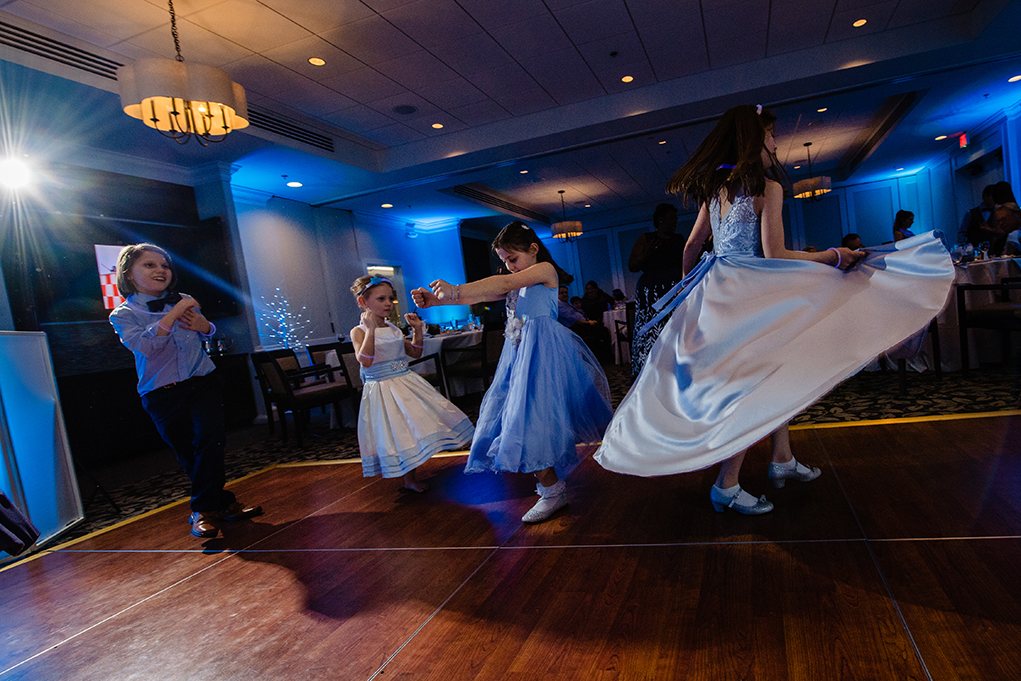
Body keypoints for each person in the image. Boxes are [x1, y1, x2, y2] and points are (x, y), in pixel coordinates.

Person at [594, 104, 954, 514]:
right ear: (755, 139)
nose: (774, 143)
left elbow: (693, 247)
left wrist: (688, 292)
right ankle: (726, 485)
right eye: (770, 136)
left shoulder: (717, 190)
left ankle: (781, 459)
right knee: (752, 386)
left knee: (775, 371)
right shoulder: (767, 188)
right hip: (749, 296)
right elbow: (775, 255)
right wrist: (834, 256)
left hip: (716, 295)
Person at [412, 222, 613, 523]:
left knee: (530, 420)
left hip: (543, 353)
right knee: (517, 419)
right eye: (504, 261)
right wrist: (439, 300)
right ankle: (551, 488)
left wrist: (455, 289)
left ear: (533, 249)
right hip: (519, 354)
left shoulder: (544, 270)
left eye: (513, 258)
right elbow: (483, 295)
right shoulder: (516, 277)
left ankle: (553, 491)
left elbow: (501, 285)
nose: (509, 266)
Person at [109, 244, 262, 539]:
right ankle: (224, 505)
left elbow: (206, 331)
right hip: (160, 392)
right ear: (128, 273)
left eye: (164, 265)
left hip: (202, 380)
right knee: (188, 453)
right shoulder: (123, 314)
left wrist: (207, 327)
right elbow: (147, 346)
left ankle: (202, 511)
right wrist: (177, 310)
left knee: (210, 440)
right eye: (150, 265)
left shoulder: (185, 300)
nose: (160, 271)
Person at [350, 275, 474, 492]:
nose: (388, 303)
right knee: (397, 432)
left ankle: (411, 477)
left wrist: (416, 329)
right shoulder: (359, 331)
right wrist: (370, 329)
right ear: (363, 302)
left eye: (391, 298)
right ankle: (408, 479)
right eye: (381, 299)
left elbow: (415, 353)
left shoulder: (394, 328)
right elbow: (365, 361)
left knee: (414, 427)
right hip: (382, 389)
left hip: (406, 383)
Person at [628, 203, 687, 377]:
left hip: (675, 289)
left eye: (676, 219)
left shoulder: (679, 239)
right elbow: (632, 265)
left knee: (675, 326)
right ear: (660, 220)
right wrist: (646, 253)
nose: (675, 222)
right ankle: (652, 369)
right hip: (652, 292)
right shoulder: (646, 238)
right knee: (654, 329)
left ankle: (677, 366)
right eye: (671, 219)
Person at [558, 285, 613, 363]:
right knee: (602, 331)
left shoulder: (566, 304)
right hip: (574, 328)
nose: (565, 294)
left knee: (602, 329)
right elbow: (574, 319)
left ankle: (605, 356)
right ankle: (606, 357)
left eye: (566, 292)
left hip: (581, 325)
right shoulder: (560, 305)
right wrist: (588, 322)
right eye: (562, 293)